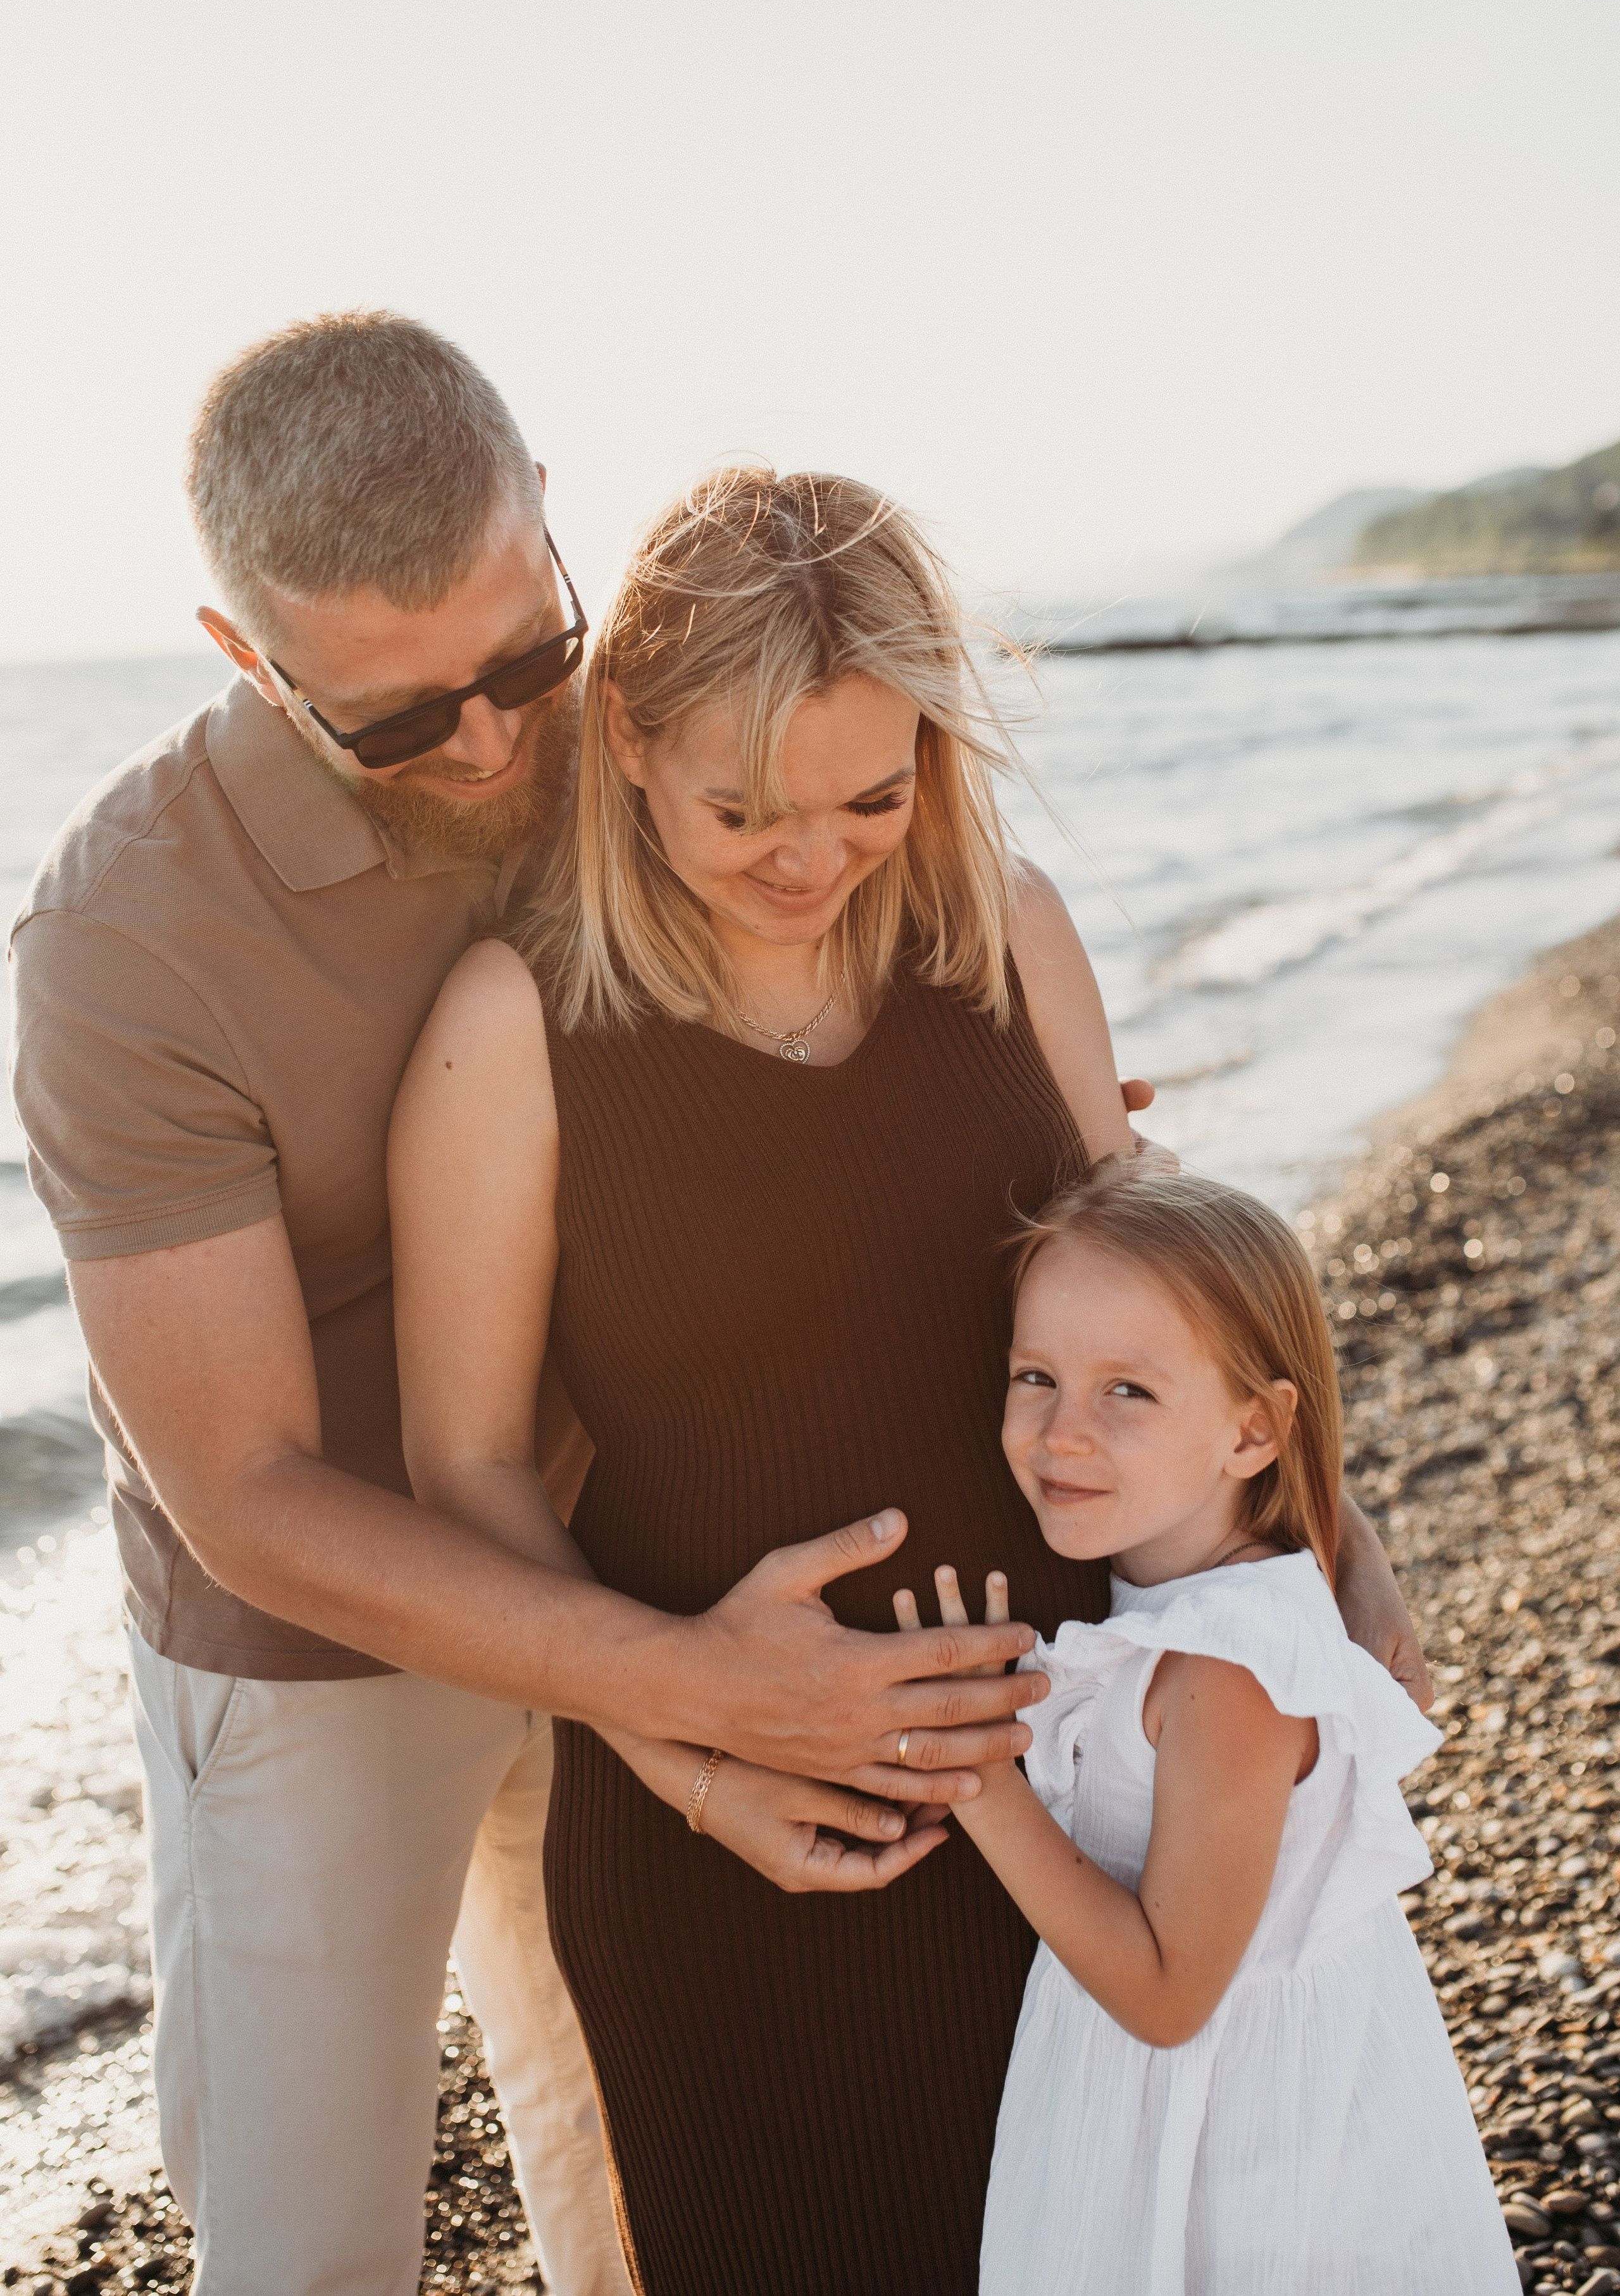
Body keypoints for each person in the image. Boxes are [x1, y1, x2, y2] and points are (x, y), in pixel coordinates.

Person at [8, 318, 1046, 2296]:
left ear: (552, 533)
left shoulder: (642, 729)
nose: (492, 748)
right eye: (396, 722)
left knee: (633, 2164)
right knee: (312, 2240)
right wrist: (675, 1699)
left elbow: (835, 929)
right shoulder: (123, 937)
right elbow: (246, 1485)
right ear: (249, 656)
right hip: (312, 1651)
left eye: (518, 664)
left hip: (654, 1539)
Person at [387, 465, 1434, 2295]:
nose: (811, 855)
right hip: (741, 1871)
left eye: (873, 796)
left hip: (1083, 1802)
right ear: (626, 739)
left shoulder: (1005, 931)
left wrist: (1336, 1541)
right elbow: (464, 1467)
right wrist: (698, 1750)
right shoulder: (511, 1026)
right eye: (743, 810)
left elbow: (1171, 1311)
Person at [923, 1162, 1516, 2292]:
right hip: (1189, 2120)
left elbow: (1168, 1992)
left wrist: (983, 1787)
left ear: (1254, 1433)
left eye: (1128, 1393)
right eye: (1035, 1376)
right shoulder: (1170, 1603)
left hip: (1252, 2169)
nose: (1062, 1434)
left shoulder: (1232, 1670)